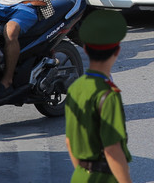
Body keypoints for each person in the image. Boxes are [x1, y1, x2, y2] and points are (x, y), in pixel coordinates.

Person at [65, 10, 133, 183]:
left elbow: (69, 141)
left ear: (86, 49)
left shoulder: (75, 88)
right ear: (117, 52)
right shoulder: (108, 95)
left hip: (79, 175)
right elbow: (112, 149)